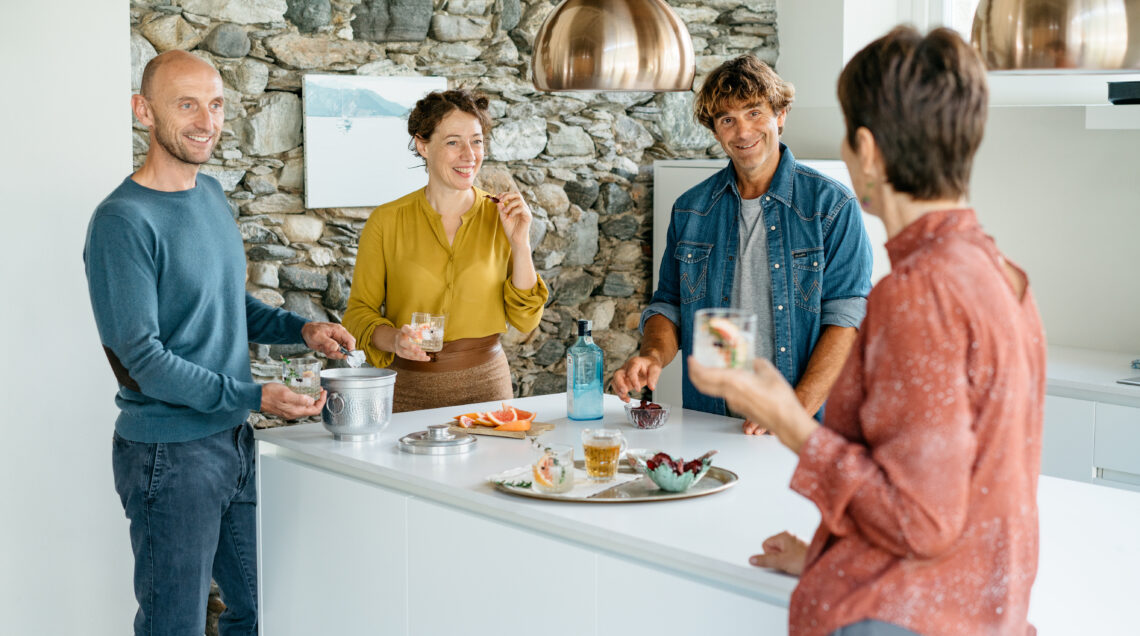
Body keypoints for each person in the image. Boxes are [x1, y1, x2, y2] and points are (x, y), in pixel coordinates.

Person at [688, 27, 1045, 636]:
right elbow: (955, 494)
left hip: (897, 620)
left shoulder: (918, 293)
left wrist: (787, 416)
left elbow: (919, 520)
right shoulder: (999, 271)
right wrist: (827, 554)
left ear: (869, 150)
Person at [83, 50, 356, 636]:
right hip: (168, 456)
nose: (206, 120)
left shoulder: (209, 197)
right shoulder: (122, 222)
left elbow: (225, 308)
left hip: (232, 442)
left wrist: (299, 329)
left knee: (260, 611)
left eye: (215, 104)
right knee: (173, 625)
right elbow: (142, 364)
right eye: (187, 104)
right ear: (143, 112)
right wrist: (255, 395)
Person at [611, 54, 874, 434]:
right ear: (716, 131)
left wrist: (791, 413)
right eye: (727, 120)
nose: (743, 131)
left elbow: (846, 320)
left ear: (780, 115)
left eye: (754, 112)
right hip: (711, 421)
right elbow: (669, 306)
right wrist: (651, 355)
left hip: (806, 425)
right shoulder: (691, 210)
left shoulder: (831, 206)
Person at [343, 89, 548, 412]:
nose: (469, 155)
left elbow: (525, 320)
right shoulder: (386, 221)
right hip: (408, 390)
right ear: (423, 145)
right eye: (453, 142)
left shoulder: (502, 218)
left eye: (477, 141)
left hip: (488, 389)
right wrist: (396, 339)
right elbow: (357, 314)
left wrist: (520, 243)